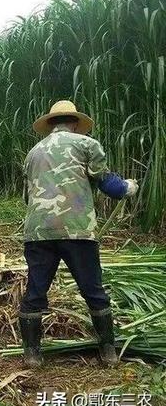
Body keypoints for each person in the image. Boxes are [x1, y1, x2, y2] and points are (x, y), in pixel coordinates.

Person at [19, 100, 139, 368]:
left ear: (51, 124)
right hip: (77, 230)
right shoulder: (86, 144)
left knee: (35, 291)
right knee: (93, 290)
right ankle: (107, 351)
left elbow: (29, 196)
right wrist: (127, 187)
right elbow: (107, 182)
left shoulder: (33, 153)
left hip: (38, 232)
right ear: (74, 123)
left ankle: (32, 355)